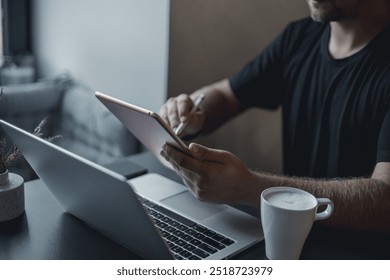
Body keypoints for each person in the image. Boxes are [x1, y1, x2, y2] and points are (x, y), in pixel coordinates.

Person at [159, 0, 390, 232]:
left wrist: (249, 188)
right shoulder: (298, 38)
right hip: (290, 237)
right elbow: (227, 95)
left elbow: (385, 199)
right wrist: (190, 114)